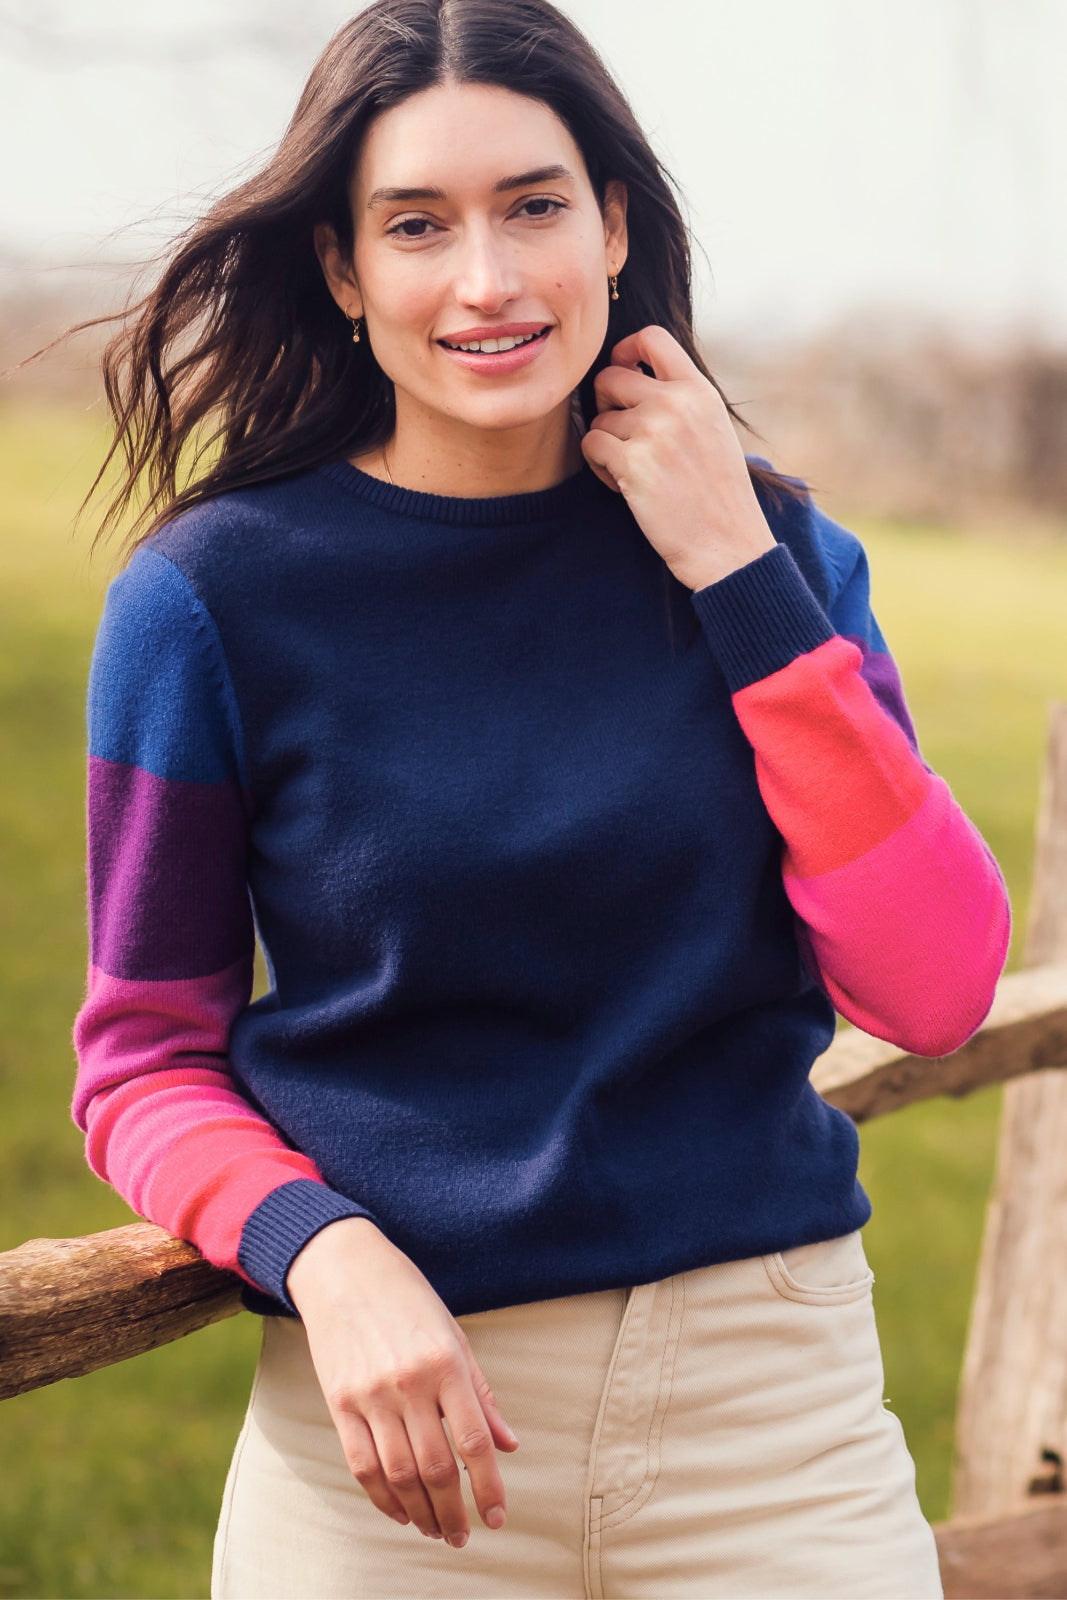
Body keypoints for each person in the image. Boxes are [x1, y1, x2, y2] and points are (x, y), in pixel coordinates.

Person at [70, 1, 1010, 1595]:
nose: (489, 280)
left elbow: (932, 984)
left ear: (616, 223)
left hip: (773, 1425)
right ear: (343, 272)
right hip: (391, 1450)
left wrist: (736, 573)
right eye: (418, 226)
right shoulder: (212, 604)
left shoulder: (778, 555)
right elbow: (139, 1060)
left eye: (535, 205)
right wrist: (329, 1253)